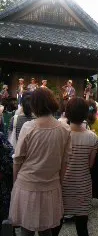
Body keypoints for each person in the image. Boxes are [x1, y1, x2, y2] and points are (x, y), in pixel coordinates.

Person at [8, 88, 72, 236]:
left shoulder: (29, 127)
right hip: (51, 185)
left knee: (26, 230)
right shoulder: (64, 129)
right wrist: (59, 182)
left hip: (26, 185)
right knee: (46, 230)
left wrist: (15, 183)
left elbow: (17, 160)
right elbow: (64, 162)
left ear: (34, 105)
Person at [52, 97, 98, 236]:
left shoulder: (60, 134)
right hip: (82, 186)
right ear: (85, 114)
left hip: (62, 185)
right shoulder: (92, 137)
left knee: (56, 225)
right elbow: (90, 164)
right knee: (82, 227)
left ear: (67, 113)